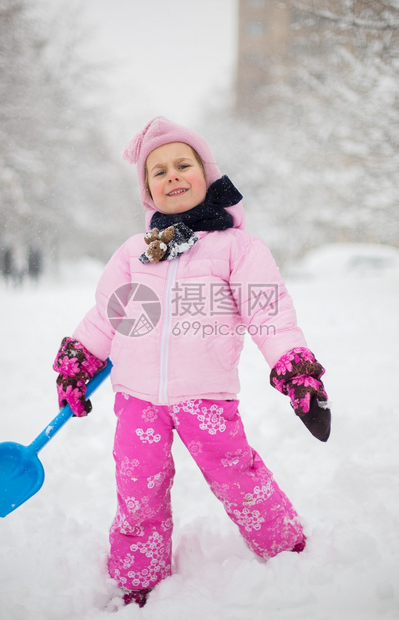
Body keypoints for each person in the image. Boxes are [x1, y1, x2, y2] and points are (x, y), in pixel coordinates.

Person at [53, 117, 331, 608]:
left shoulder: (237, 248)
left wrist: (294, 368)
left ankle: (285, 547)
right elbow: (108, 315)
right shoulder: (135, 253)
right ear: (148, 193)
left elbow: (269, 314)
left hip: (206, 395)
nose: (172, 175)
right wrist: (80, 360)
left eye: (183, 164)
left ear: (207, 174)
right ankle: (138, 575)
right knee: (138, 490)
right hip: (137, 400)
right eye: (157, 172)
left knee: (236, 475)